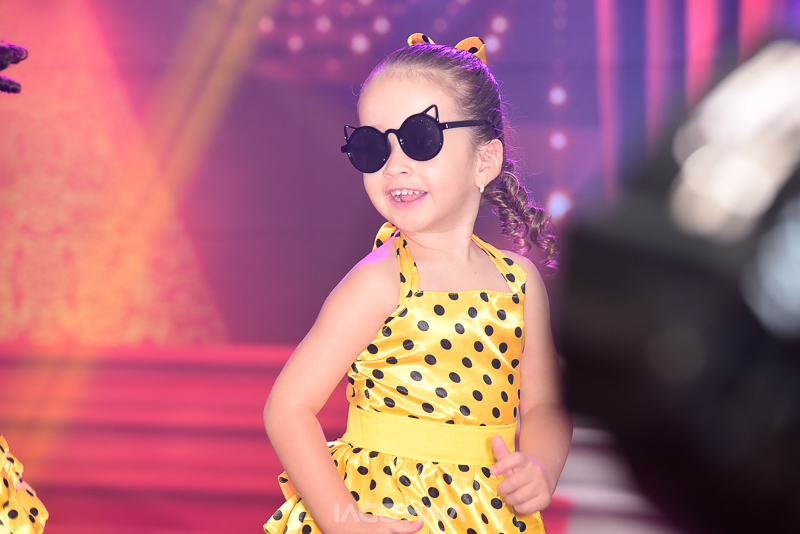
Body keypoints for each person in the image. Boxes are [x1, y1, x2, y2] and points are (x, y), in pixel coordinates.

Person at [263, 34, 572, 534]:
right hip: (388, 511)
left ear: (484, 161)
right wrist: (346, 523)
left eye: (419, 139)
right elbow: (288, 408)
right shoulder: (379, 281)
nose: (394, 165)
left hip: (486, 515)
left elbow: (544, 405)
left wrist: (540, 467)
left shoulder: (519, 282)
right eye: (371, 146)